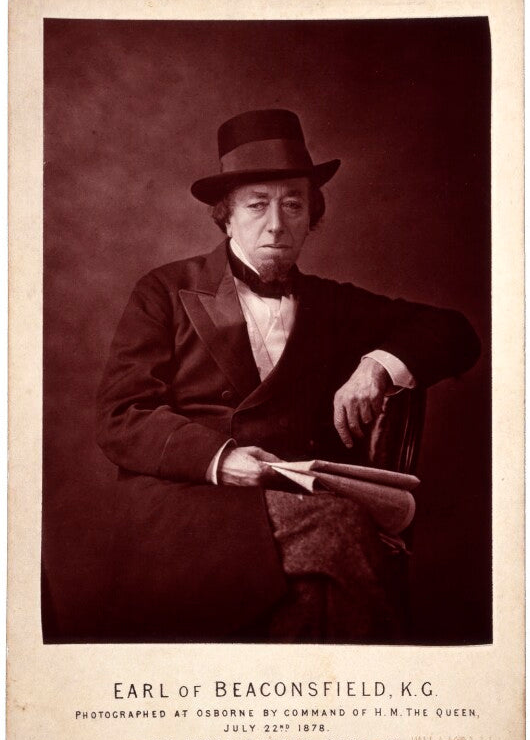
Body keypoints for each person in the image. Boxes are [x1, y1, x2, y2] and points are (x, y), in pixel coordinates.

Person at [96, 109, 480, 643]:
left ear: (310, 217)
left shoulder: (332, 305)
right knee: (340, 527)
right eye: (258, 205)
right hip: (190, 499)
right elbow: (122, 415)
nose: (277, 223)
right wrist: (221, 460)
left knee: (313, 590)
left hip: (294, 495)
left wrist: (377, 366)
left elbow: (454, 332)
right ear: (226, 217)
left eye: (293, 204)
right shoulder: (164, 291)